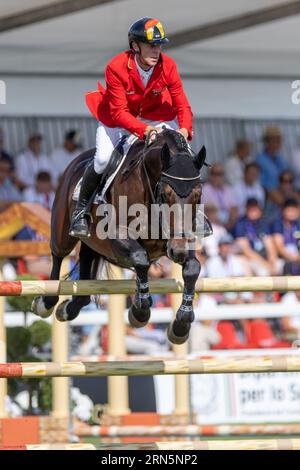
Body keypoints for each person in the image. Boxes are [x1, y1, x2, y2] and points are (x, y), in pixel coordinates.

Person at [70, 17, 193, 238]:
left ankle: (194, 216)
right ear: (135, 46)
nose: (157, 51)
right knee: (103, 160)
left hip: (156, 117)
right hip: (118, 119)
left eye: (159, 45)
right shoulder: (116, 67)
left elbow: (181, 103)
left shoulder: (168, 65)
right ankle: (81, 211)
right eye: (152, 46)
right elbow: (119, 112)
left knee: (183, 155)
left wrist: (184, 129)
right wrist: (144, 131)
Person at [234, 198, 277, 276]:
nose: (253, 210)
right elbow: (246, 250)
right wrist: (266, 264)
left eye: (255, 208)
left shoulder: (263, 223)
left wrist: (272, 261)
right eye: (250, 208)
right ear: (246, 209)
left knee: (281, 266)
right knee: (263, 272)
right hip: (250, 259)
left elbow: (270, 245)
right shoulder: (240, 224)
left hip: (265, 258)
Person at [202, 164, 238, 231]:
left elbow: (234, 208)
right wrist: (221, 225)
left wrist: (230, 223)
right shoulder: (205, 189)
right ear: (210, 175)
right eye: (214, 174)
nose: (217, 177)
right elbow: (206, 212)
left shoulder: (228, 188)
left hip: (229, 224)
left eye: (220, 174)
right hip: (213, 225)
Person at [271, 198, 300, 275]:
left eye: (294, 210)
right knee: (284, 266)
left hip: (297, 257)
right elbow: (279, 247)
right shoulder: (277, 224)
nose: (292, 213)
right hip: (282, 259)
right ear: (283, 210)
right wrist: (294, 258)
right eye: (289, 210)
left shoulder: (298, 224)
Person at [256, 127, 289, 193]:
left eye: (279, 140)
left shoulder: (281, 158)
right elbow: (261, 183)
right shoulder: (259, 160)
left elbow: (287, 175)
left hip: (284, 192)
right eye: (275, 140)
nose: (278, 143)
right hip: (269, 195)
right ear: (267, 142)